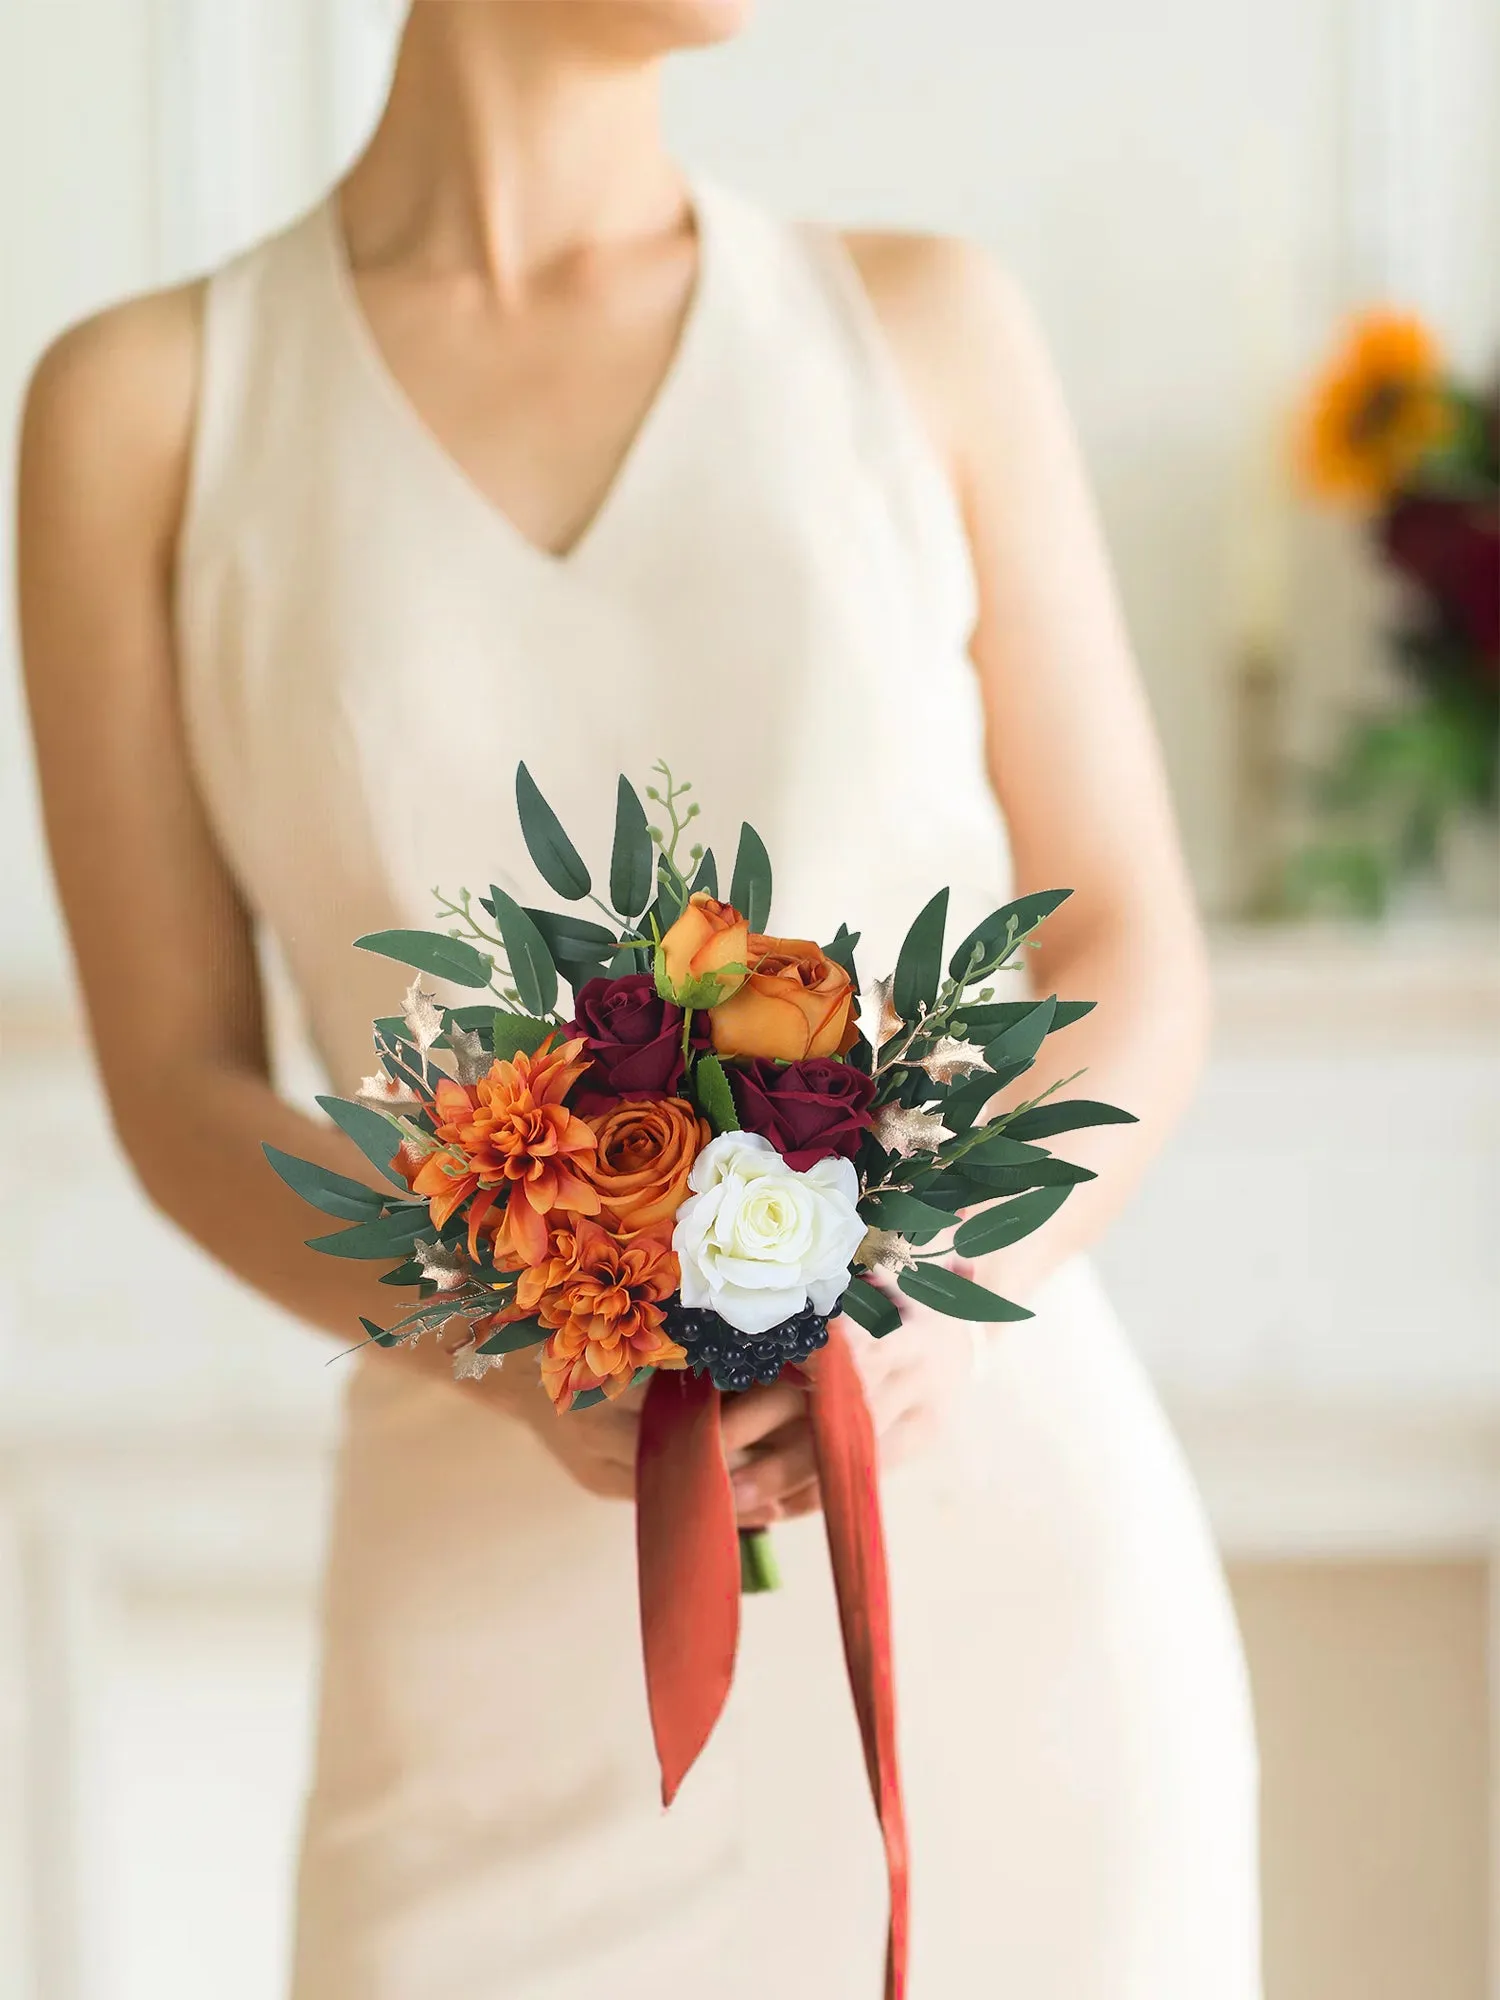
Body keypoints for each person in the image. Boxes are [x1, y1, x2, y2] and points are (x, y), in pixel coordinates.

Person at [18, 3, 1260, 1994]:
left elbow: (1134, 948)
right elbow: (179, 1083)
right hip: (488, 1639)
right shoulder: (143, 404)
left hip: (1003, 1566)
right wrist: (514, 1357)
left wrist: (936, 1284)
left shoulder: (923, 323)